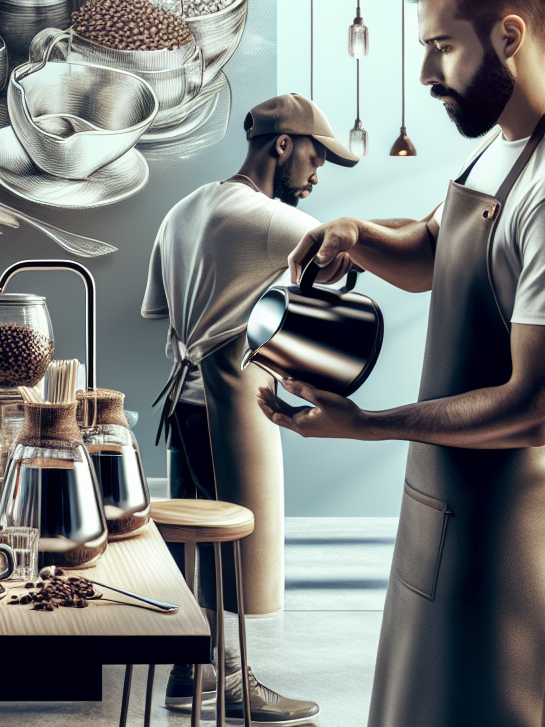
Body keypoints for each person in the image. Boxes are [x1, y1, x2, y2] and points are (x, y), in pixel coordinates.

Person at [259, 0, 545, 727]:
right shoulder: (501, 156)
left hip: (513, 527)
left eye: (442, 46)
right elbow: (436, 252)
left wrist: (364, 426)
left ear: (509, 36)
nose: (425, 73)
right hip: (447, 501)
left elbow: (535, 408)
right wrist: (357, 234)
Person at [142, 94, 358, 726]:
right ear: (281, 146)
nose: (316, 176)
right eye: (315, 158)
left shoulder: (185, 209)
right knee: (233, 542)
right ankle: (229, 684)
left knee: (196, 541)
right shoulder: (264, 217)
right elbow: (350, 258)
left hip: (181, 398)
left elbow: (162, 309)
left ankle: (191, 673)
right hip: (230, 396)